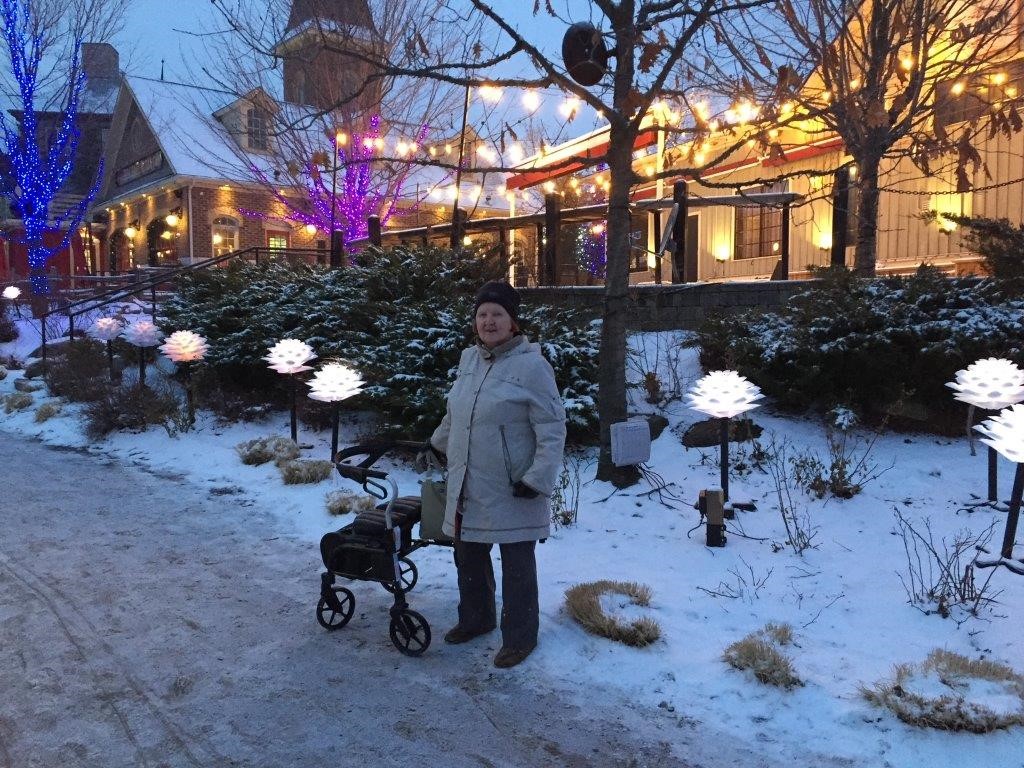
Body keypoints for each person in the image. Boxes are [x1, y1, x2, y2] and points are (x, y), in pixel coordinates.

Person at [427, 280, 566, 668]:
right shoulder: (468, 360)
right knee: (468, 553)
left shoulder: (533, 366)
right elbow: (457, 412)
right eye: (482, 314)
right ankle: (476, 619)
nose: (488, 321)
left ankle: (520, 638)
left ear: (513, 322)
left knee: (516, 562)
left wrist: (538, 479)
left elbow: (553, 428)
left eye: (497, 314)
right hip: (470, 478)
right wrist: (437, 443)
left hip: (513, 485)